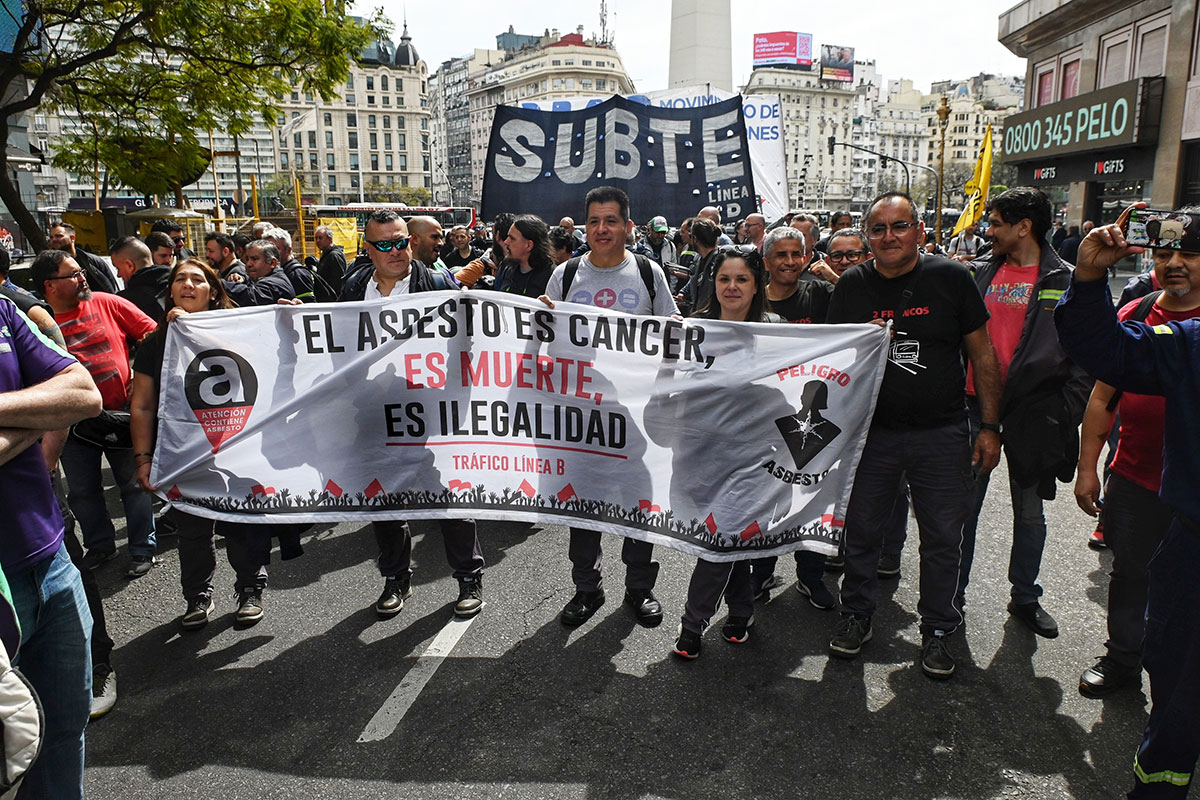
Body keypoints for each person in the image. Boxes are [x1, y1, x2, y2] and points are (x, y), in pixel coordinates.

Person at [1053, 204, 1200, 800]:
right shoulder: (1183, 339)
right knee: (1176, 670)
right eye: (1166, 252)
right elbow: (1106, 357)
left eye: (1189, 253)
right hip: (1167, 509)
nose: (1174, 264)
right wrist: (1087, 278)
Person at [825, 192, 1001, 680]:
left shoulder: (950, 278)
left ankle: (940, 629)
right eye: (878, 229)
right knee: (861, 535)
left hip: (942, 434)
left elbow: (983, 355)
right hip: (870, 437)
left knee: (944, 538)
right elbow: (830, 361)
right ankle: (856, 615)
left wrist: (989, 426)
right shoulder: (851, 287)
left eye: (899, 226)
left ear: (919, 231)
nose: (888, 237)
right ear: (867, 237)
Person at [540, 186, 678, 628]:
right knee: (583, 505)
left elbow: (670, 337)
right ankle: (587, 588)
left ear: (627, 226)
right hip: (581, 416)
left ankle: (640, 588)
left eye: (611, 221)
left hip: (637, 416)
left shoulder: (648, 271)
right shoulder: (563, 277)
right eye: (594, 222)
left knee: (640, 503)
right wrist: (537, 322)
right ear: (585, 228)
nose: (602, 229)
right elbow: (544, 346)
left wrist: (675, 333)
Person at [958, 187, 1093, 637]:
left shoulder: (1068, 280)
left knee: (1030, 514)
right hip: (975, 410)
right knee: (964, 512)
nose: (987, 231)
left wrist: (1065, 410)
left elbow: (1086, 356)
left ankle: (1024, 597)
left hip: (1035, 417)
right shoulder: (978, 274)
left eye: (995, 223)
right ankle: (950, 599)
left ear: (1023, 226)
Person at [338, 209, 485, 619]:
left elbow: (466, 345)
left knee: (448, 496)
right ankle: (395, 577)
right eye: (384, 244)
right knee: (384, 499)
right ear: (367, 248)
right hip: (372, 411)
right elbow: (332, 344)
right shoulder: (351, 288)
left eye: (401, 241)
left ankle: (468, 576)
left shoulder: (437, 283)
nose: (395, 251)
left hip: (431, 409)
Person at [130, 260, 277, 627]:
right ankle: (197, 596)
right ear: (171, 292)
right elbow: (143, 405)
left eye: (198, 279)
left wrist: (289, 318)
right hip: (183, 453)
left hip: (237, 447)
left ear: (213, 292)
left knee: (243, 520)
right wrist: (144, 458)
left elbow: (279, 354)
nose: (187, 285)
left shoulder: (241, 330)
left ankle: (249, 589)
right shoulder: (156, 342)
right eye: (180, 279)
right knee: (192, 530)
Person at [0, 291, 103, 799]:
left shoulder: (2, 310)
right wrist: (34, 414)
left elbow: (84, 394)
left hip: (51, 562)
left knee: (63, 729)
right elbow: (57, 404)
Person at [668, 249, 781, 657]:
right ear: (713, 285)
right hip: (700, 455)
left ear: (757, 286)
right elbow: (668, 384)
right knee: (725, 539)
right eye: (724, 279)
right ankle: (742, 610)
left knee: (718, 539)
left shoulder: (778, 333)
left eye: (742, 280)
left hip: (753, 459)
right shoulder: (693, 329)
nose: (732, 287)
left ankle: (691, 626)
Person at [31, 249, 160, 577]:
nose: (82, 277)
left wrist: (141, 378)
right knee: (83, 492)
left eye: (80, 271)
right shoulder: (36, 322)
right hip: (72, 427)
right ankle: (100, 546)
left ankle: (143, 549)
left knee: (135, 484)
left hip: (122, 415)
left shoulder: (107, 302)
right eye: (73, 274)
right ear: (50, 285)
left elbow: (154, 335)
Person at [763, 227, 834, 326]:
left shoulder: (819, 292)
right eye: (781, 255)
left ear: (804, 260)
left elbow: (859, 305)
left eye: (796, 255)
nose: (790, 262)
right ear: (766, 263)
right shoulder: (752, 300)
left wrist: (833, 278)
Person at [492, 214, 555, 298]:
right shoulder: (506, 266)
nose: (506, 242)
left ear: (529, 245)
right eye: (508, 236)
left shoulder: (552, 276)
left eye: (512, 238)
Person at [112, 236, 169, 324]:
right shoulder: (178, 285)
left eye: (118, 268)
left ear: (129, 265)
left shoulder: (124, 301)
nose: (118, 275)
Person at [48, 222, 118, 293]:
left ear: (72, 238)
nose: (54, 240)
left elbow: (109, 288)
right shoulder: (49, 266)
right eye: (51, 237)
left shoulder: (92, 261)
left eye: (59, 236)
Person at [224, 240, 296, 306]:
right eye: (247, 259)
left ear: (272, 262)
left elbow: (250, 297)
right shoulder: (264, 276)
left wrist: (219, 284)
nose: (248, 264)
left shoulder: (276, 284)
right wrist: (242, 278)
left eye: (255, 259)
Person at [312, 225, 347, 290]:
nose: (317, 241)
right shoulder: (326, 254)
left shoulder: (334, 256)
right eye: (316, 238)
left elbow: (338, 283)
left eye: (320, 238)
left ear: (330, 239)